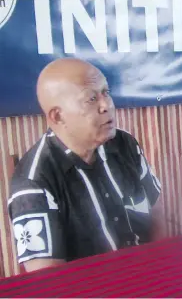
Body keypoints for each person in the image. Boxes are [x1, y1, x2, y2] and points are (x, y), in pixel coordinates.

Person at [8, 58, 162, 272]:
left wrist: (161, 266)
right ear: (58, 116)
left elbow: (156, 211)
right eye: (91, 99)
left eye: (106, 93)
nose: (106, 105)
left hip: (146, 274)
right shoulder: (34, 182)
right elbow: (46, 281)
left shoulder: (124, 144)